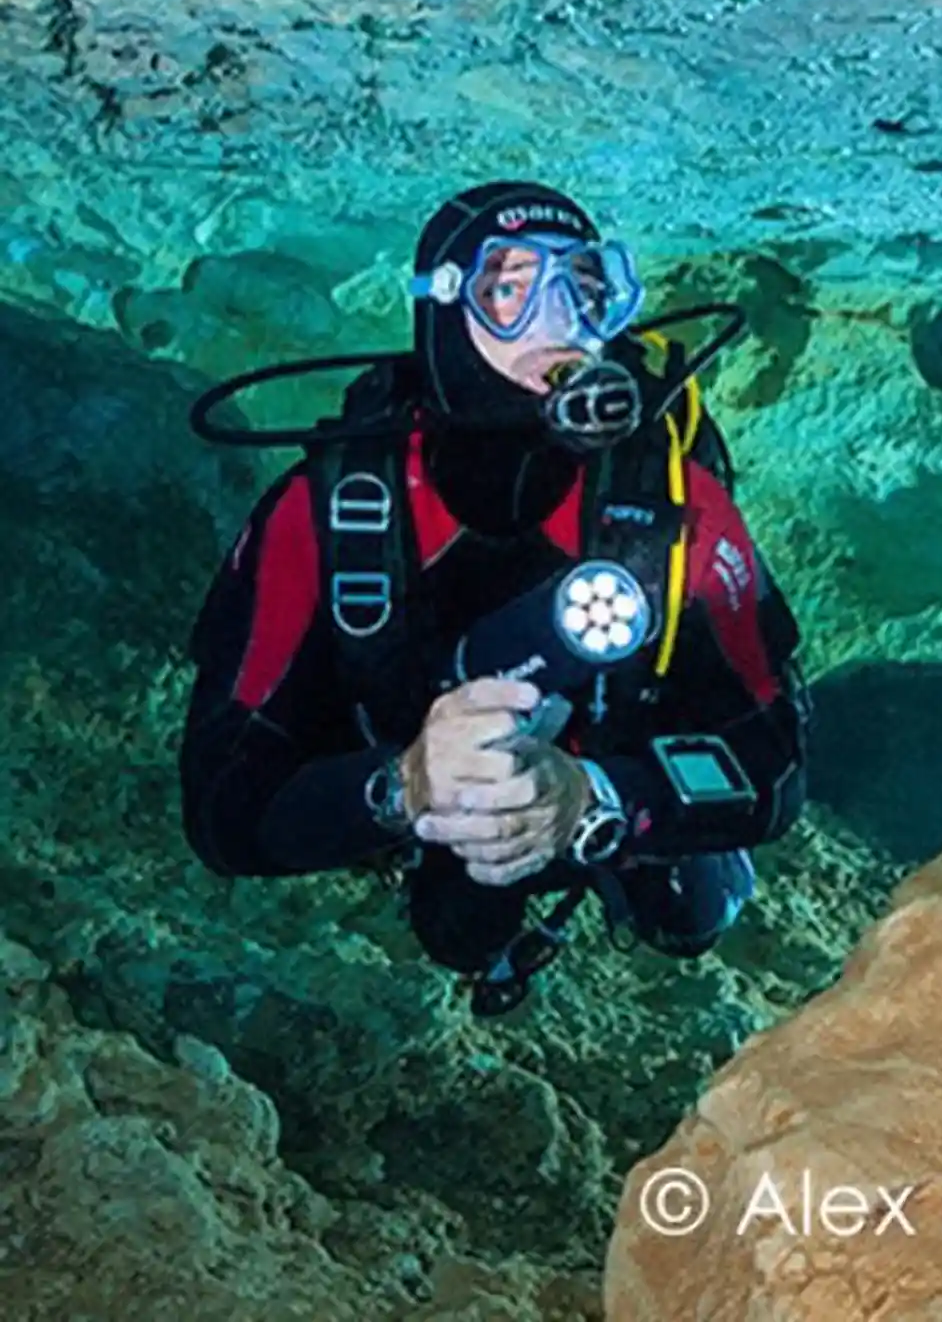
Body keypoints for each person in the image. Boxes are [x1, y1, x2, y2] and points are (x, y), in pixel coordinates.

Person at [178, 180, 807, 1015]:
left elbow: (778, 764)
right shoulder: (326, 513)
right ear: (442, 313)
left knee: (693, 913)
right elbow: (221, 809)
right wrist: (402, 787)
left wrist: (598, 798)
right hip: (418, 785)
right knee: (460, 928)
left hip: (611, 772)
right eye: (510, 289)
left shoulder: (676, 508)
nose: (558, 325)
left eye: (584, 289)